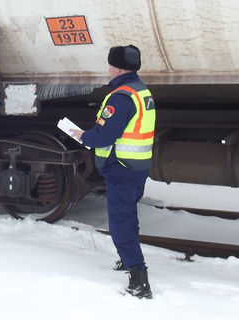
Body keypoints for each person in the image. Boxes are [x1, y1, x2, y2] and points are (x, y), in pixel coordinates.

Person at [69, 45, 155, 299]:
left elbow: (105, 134)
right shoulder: (141, 91)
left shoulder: (121, 96)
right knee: (128, 216)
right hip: (136, 167)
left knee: (120, 221)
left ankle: (139, 278)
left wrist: (83, 136)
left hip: (122, 169)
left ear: (116, 68)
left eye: (110, 65)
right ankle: (126, 259)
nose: (108, 69)